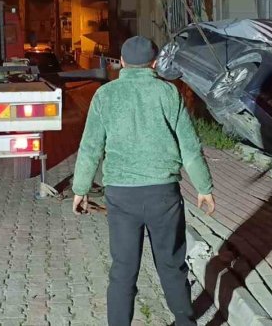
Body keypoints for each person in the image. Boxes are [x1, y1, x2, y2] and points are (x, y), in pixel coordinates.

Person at [72, 35, 215, 326]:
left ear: (122, 62)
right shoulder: (168, 93)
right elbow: (189, 147)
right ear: (154, 63)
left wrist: (80, 189)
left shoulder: (105, 95)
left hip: (121, 196)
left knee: (123, 270)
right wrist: (204, 187)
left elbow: (90, 147)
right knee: (172, 266)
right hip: (163, 195)